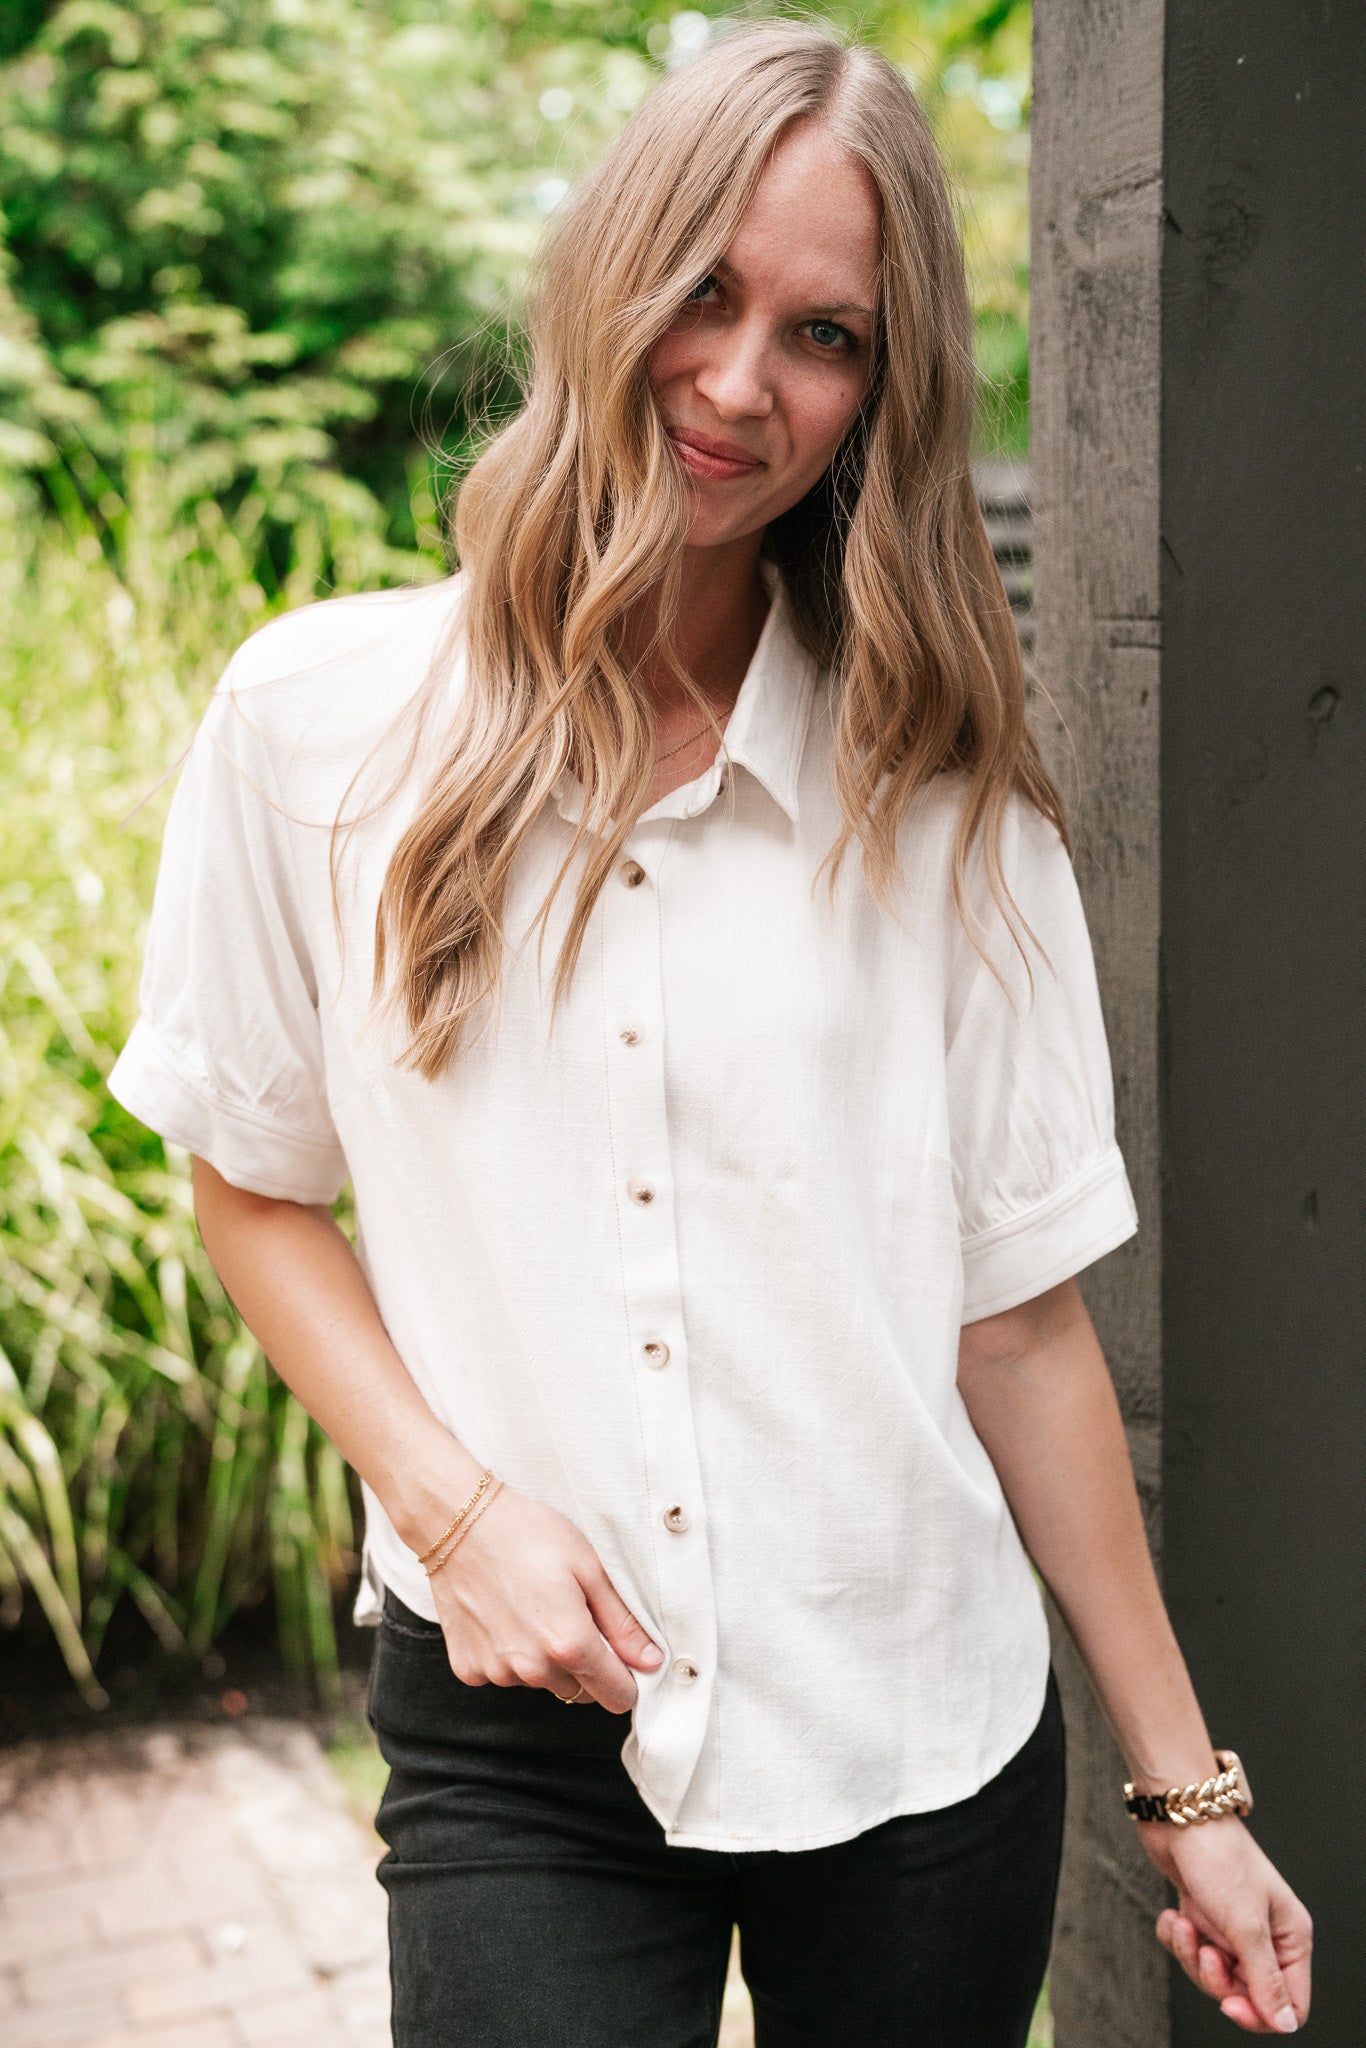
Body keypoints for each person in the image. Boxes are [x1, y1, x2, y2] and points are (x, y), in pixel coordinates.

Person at [108, 21, 1312, 2047]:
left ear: (880, 391)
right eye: (702, 291)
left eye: (822, 332)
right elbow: (248, 1182)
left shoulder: (947, 814)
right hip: (517, 1739)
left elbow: (1019, 1332)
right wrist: (455, 1512)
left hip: (918, 1743)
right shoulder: (314, 726)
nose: (739, 382)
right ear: (609, 274)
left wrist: (1187, 1798)